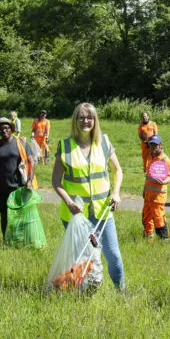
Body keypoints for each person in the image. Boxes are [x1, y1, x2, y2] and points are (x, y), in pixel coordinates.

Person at [52, 102, 125, 289]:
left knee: (113, 255)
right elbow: (56, 182)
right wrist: (68, 202)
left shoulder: (104, 143)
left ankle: (121, 290)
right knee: (84, 257)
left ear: (95, 120)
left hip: (103, 212)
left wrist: (116, 193)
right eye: (81, 117)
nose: (86, 121)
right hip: (76, 214)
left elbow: (118, 170)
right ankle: (83, 294)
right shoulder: (65, 146)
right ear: (75, 120)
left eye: (90, 117)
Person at [0, 117, 32, 238]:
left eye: (7, 127)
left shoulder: (22, 142)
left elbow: (31, 161)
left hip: (18, 185)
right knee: (4, 214)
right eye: (1, 128)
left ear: (11, 129)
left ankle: (20, 239)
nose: (4, 130)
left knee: (19, 213)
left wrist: (29, 179)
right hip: (2, 187)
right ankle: (5, 239)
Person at [142, 134, 170, 241]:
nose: (153, 147)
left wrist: (164, 181)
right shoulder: (150, 156)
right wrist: (144, 190)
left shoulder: (165, 160)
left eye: (155, 145)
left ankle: (164, 239)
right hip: (148, 195)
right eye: (151, 145)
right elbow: (148, 176)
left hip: (158, 196)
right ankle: (148, 236)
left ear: (161, 145)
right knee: (146, 216)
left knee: (158, 218)